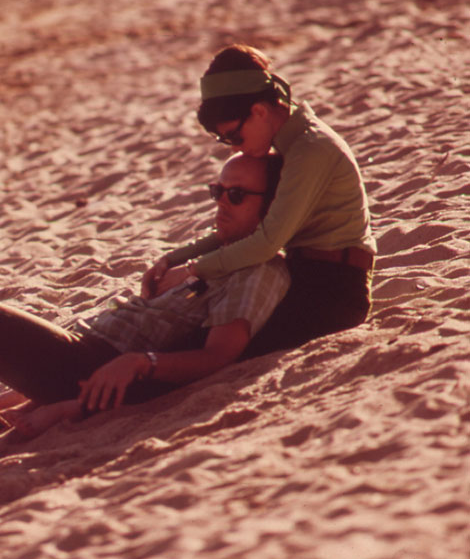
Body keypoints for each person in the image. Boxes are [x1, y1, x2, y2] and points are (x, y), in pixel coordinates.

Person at [0, 153, 289, 439]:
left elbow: (218, 356)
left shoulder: (258, 270)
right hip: (83, 350)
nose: (221, 203)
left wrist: (141, 362)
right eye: (218, 191)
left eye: (236, 195)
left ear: (272, 206)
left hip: (93, 365)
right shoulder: (220, 254)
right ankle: (35, 398)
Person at [141, 44, 377, 358]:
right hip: (299, 276)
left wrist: (191, 270)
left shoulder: (310, 149)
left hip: (333, 293)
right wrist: (172, 259)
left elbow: (266, 243)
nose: (232, 148)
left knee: (202, 347)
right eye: (224, 140)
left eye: (234, 136)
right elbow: (249, 233)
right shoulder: (288, 145)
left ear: (260, 111)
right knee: (188, 326)